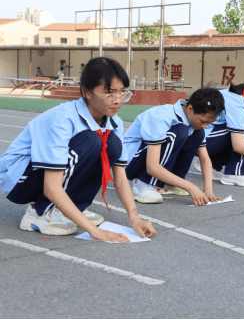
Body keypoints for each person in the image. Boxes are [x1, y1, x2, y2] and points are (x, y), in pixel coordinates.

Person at [0, 57, 156, 242]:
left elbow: (119, 174)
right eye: (109, 93)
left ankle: (71, 208)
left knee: (111, 144)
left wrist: (134, 218)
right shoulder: (63, 118)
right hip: (19, 180)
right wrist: (94, 231)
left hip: (44, 177)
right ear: (87, 92)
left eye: (123, 92)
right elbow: (51, 187)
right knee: (91, 140)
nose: (118, 100)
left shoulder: (114, 122)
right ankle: (40, 212)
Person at [124, 88, 225, 206]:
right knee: (181, 131)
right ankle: (142, 183)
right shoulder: (162, 117)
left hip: (150, 159)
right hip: (131, 162)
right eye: (203, 121)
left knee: (197, 134)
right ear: (190, 108)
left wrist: (208, 190)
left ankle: (170, 183)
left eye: (209, 123)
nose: (205, 126)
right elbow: (152, 166)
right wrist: (191, 187)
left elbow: (204, 158)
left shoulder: (196, 125)